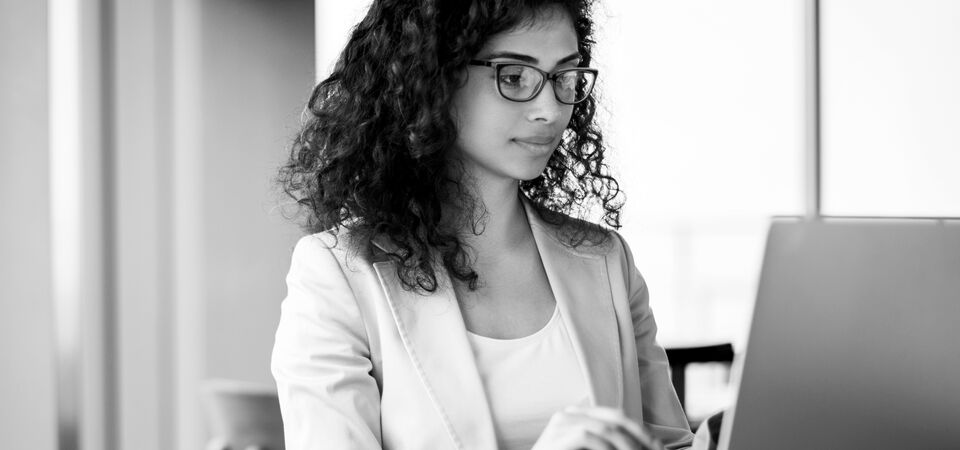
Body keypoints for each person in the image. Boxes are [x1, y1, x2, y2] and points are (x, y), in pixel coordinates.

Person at [271, 0, 699, 448]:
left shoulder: (607, 261)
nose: (550, 111)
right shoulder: (337, 274)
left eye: (565, 77)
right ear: (431, 79)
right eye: (514, 77)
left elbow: (669, 441)